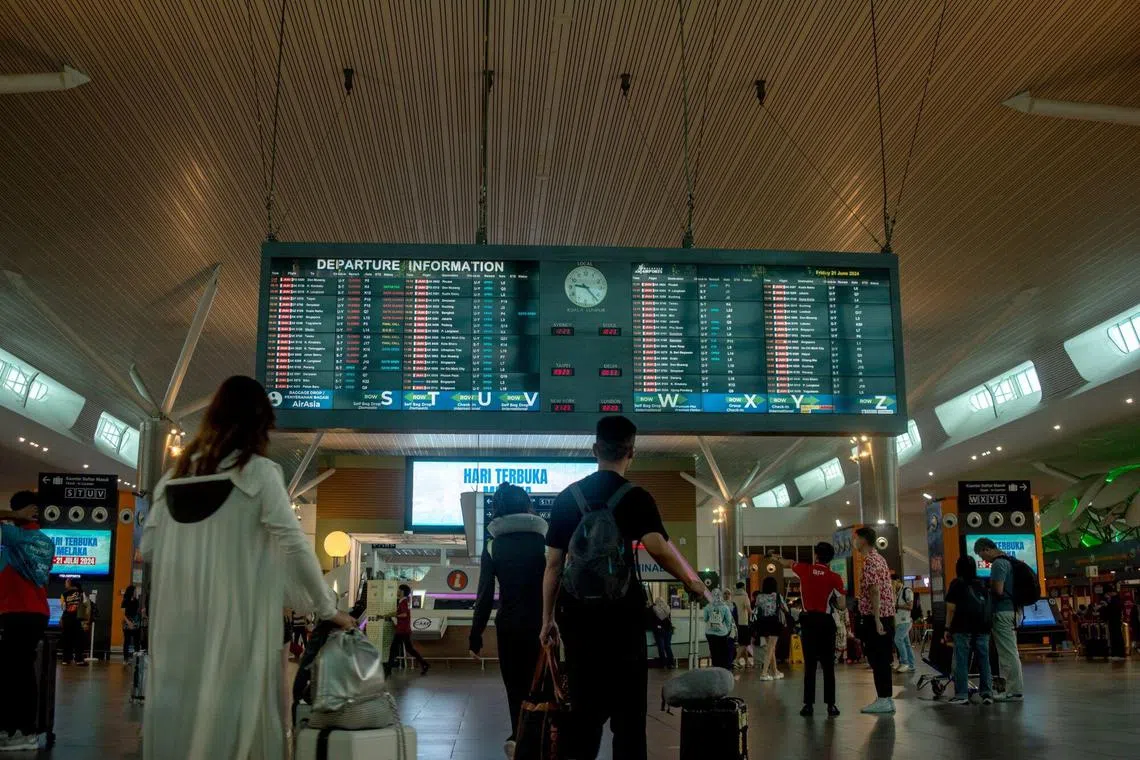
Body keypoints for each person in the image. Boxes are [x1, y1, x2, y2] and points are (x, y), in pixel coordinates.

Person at [139, 375, 355, 760]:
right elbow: (294, 545)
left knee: (183, 718)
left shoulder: (172, 479)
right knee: (239, 719)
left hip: (179, 629)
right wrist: (326, 609)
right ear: (260, 424)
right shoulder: (257, 473)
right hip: (238, 625)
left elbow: (149, 549)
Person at [541, 416, 710, 760]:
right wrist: (690, 581)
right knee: (629, 718)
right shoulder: (636, 497)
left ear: (594, 450)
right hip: (623, 618)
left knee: (583, 714)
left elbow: (554, 566)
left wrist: (547, 620)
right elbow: (658, 547)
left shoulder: (566, 499)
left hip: (577, 619)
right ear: (631, 452)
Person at [469, 483, 547, 759]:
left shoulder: (493, 545)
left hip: (510, 626)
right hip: (543, 625)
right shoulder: (546, 543)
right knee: (543, 685)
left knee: (515, 687)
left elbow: (485, 595)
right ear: (527, 506)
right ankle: (545, 738)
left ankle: (520, 736)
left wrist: (475, 634)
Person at [0, 491, 53, 751]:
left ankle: (24, 731)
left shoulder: (19, 537)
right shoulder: (34, 540)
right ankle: (13, 728)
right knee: (15, 671)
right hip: (25, 613)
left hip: (22, 613)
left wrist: (12, 517)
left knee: (17, 672)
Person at [774, 542, 844, 716]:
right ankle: (831, 705)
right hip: (826, 623)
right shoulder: (835, 577)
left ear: (816, 556)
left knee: (810, 665)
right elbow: (842, 605)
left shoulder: (804, 569)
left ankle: (808, 705)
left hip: (809, 623)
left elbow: (789, 563)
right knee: (828, 666)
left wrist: (777, 558)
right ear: (831, 558)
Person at [972, 537, 1024, 701]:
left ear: (986, 549)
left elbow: (998, 590)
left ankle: (1014, 691)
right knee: (1009, 651)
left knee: (1008, 653)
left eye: (981, 555)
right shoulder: (1008, 561)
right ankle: (1011, 689)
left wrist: (987, 588)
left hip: (1002, 612)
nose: (983, 560)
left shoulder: (998, 564)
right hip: (1011, 610)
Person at [854, 526, 896, 714]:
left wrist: (877, 619)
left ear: (863, 540)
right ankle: (885, 698)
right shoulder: (880, 558)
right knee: (882, 658)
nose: (854, 542)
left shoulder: (870, 561)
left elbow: (874, 590)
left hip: (875, 617)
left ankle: (884, 699)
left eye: (856, 538)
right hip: (886, 615)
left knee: (877, 658)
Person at [943, 555, 994, 705]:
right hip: (983, 627)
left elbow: (951, 608)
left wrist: (947, 628)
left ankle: (962, 694)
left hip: (962, 626)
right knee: (984, 660)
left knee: (962, 660)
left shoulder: (957, 583)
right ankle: (987, 693)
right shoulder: (982, 583)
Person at [384, 584, 429, 676]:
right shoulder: (404, 601)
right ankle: (425, 664)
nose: (397, 592)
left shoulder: (404, 602)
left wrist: (393, 615)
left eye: (399, 590)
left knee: (393, 649)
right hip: (404, 630)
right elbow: (400, 612)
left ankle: (388, 670)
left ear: (403, 592)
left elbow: (404, 614)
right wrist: (388, 615)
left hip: (402, 630)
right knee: (410, 649)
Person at [751, 577, 788, 681]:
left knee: (771, 648)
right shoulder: (777, 596)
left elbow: (757, 608)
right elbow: (785, 608)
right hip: (774, 623)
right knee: (770, 648)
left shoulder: (759, 597)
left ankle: (775, 671)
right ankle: (764, 673)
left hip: (763, 623)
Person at [704, 589, 736, 669]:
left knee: (713, 651)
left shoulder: (708, 606)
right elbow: (728, 621)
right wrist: (727, 631)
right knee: (722, 651)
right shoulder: (725, 607)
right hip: (722, 633)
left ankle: (715, 666)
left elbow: (705, 619)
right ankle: (722, 669)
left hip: (709, 633)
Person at [891, 574, 916, 673]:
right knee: (906, 643)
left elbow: (910, 606)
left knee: (898, 640)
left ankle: (904, 662)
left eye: (893, 582)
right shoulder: (897, 592)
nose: (891, 584)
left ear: (898, 580)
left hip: (905, 621)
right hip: (899, 622)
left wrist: (897, 606)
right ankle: (911, 665)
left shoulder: (907, 590)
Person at [59, 578, 87, 666]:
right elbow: (85, 605)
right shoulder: (81, 593)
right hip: (78, 619)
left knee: (67, 640)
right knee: (79, 640)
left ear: (70, 584)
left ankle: (66, 659)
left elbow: (63, 608)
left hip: (67, 619)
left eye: (66, 582)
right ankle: (79, 659)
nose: (65, 584)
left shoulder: (63, 594)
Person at [647, 595, 676, 669]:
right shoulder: (667, 607)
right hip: (668, 629)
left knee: (661, 648)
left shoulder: (653, 608)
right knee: (668, 647)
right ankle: (671, 663)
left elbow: (650, 620)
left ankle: (663, 664)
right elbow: (669, 619)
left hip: (659, 631)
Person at [732, 581, 754, 669]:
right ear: (743, 587)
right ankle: (736, 660)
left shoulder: (733, 597)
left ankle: (747, 662)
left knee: (742, 642)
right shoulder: (745, 596)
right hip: (743, 623)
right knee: (744, 643)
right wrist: (753, 613)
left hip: (734, 623)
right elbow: (749, 610)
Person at [1101, 587, 1125, 661]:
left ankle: (1119, 653)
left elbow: (1114, 610)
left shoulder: (1116, 600)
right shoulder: (1112, 600)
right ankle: (1115, 653)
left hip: (1115, 621)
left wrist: (1107, 605)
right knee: (1114, 636)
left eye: (1108, 593)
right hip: (1112, 621)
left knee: (1117, 636)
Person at [121, 584, 143, 662]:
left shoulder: (136, 601)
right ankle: (125, 659)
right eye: (134, 591)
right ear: (131, 591)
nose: (135, 592)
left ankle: (136, 658)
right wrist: (129, 622)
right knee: (127, 641)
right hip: (127, 622)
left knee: (136, 640)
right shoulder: (125, 601)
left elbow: (137, 611)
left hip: (135, 621)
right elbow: (123, 613)